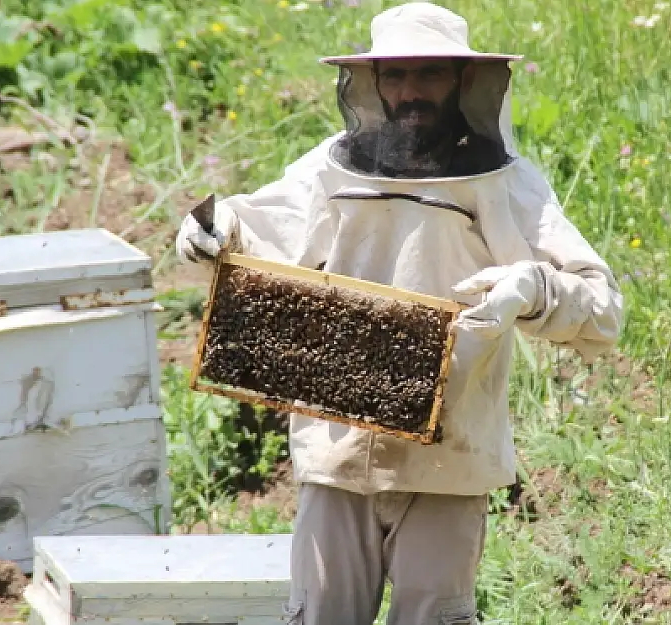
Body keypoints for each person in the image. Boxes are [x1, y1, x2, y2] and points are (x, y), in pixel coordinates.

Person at [175, 3, 625, 624]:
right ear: (373, 84)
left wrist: (534, 289)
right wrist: (214, 228)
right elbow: (254, 227)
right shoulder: (328, 170)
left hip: (450, 456)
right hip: (337, 451)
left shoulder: (506, 184)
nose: (410, 92)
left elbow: (603, 310)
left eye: (429, 74)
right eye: (395, 76)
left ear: (465, 82)